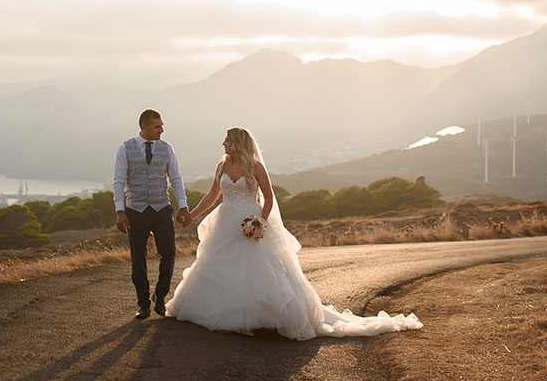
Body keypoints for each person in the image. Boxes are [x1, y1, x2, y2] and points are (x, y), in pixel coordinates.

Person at [166, 126, 422, 340]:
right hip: (225, 222)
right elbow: (213, 196)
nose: (223, 143)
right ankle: (217, 311)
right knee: (218, 265)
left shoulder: (255, 167)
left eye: (227, 140)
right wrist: (191, 213)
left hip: (249, 219)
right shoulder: (222, 166)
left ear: (238, 143)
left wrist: (259, 222)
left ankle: (263, 318)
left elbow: (268, 198)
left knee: (260, 269)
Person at [113, 108, 191, 319]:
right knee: (138, 258)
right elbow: (119, 181)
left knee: (169, 252)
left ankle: (160, 296)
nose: (162, 130)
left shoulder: (167, 149)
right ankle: (143, 303)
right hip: (135, 211)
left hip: (161, 209)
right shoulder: (125, 148)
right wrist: (120, 211)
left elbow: (176, 179)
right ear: (144, 127)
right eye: (158, 126)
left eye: (162, 125)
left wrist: (183, 206)